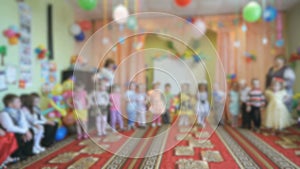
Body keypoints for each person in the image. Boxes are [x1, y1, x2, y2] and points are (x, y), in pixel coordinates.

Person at [0, 94, 34, 160]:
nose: (20, 103)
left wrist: (26, 131)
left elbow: (23, 122)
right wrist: (24, 131)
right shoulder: (4, 113)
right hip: (10, 133)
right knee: (17, 136)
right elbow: (9, 128)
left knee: (30, 130)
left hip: (19, 130)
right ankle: (17, 155)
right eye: (18, 102)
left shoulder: (19, 111)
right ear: (10, 104)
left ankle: (27, 152)